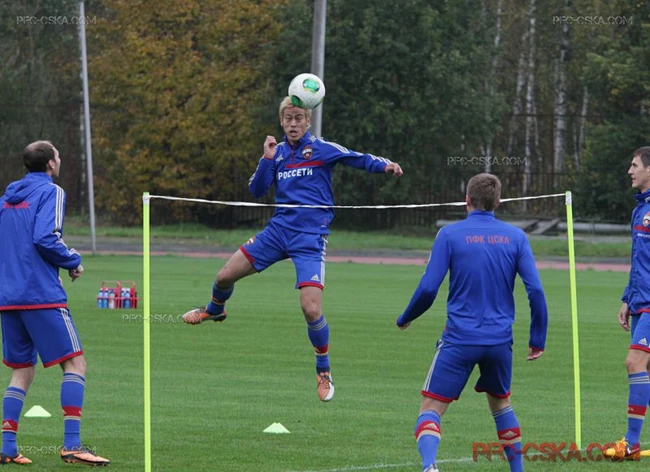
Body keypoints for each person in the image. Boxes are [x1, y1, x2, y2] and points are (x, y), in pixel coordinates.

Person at [182, 97, 403, 401]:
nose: (293, 123)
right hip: (277, 233)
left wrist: (385, 165)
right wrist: (266, 158)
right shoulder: (277, 153)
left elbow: (356, 157)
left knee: (311, 309)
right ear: (282, 122)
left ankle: (323, 370)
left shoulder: (322, 148)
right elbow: (256, 190)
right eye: (288, 119)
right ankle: (215, 310)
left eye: (299, 118)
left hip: (310, 239)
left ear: (308, 121)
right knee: (223, 277)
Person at [396, 173, 548, 472]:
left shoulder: (449, 235)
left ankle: (429, 466)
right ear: (498, 202)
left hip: (459, 339)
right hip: (499, 342)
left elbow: (428, 288)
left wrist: (406, 317)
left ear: (466, 199)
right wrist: (537, 338)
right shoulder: (516, 237)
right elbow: (536, 291)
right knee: (501, 404)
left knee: (431, 409)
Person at [0, 141, 110, 466]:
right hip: (41, 295)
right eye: (58, 156)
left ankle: (7, 447)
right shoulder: (52, 191)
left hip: (8, 298)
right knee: (75, 364)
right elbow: (45, 237)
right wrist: (72, 260)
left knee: (22, 370)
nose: (59, 160)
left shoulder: (6, 199)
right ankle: (72, 445)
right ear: (50, 163)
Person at [604, 146, 650, 460]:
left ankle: (631, 442)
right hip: (639, 301)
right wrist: (627, 298)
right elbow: (639, 261)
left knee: (634, 363)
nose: (629, 171)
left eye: (634, 165)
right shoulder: (639, 209)